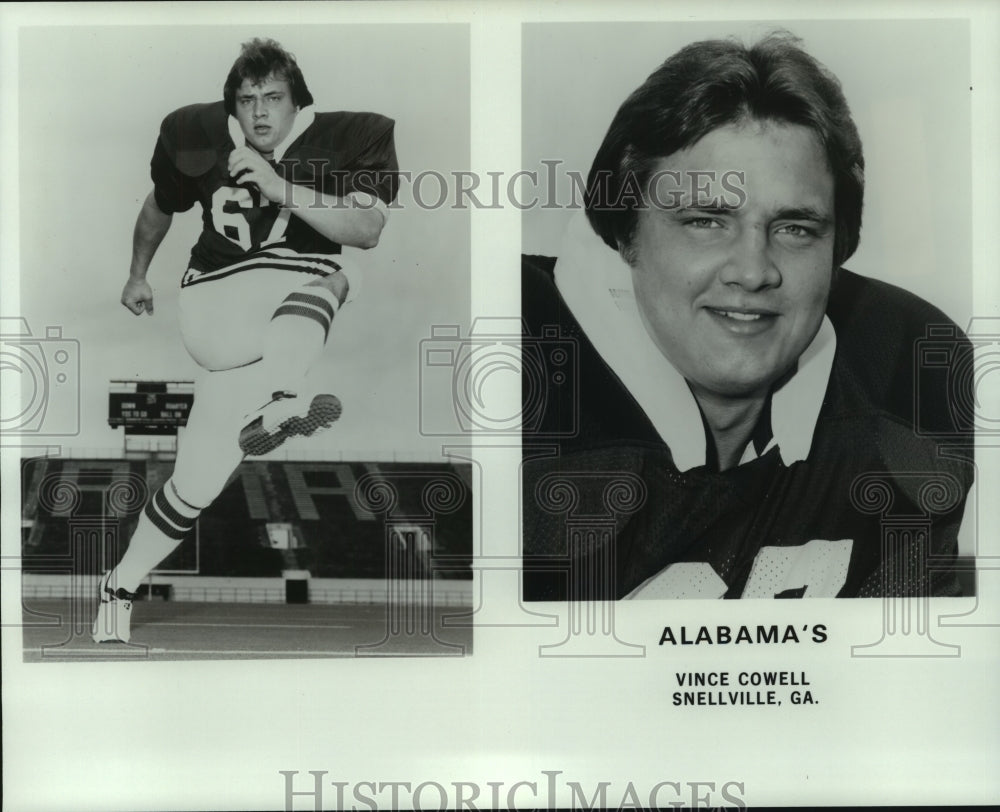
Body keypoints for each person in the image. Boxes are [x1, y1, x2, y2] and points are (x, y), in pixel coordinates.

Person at [521, 33, 975, 600]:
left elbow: (904, 674)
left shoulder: (901, 366)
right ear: (625, 232)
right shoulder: (521, 364)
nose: (753, 270)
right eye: (706, 221)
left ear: (838, 251)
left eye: (795, 228)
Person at [92, 38, 398, 642]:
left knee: (196, 484)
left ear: (297, 101)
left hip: (265, 336)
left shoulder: (351, 135)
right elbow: (160, 207)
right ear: (232, 104)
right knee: (344, 275)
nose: (258, 112)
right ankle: (285, 399)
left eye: (272, 98)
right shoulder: (200, 136)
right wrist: (136, 274)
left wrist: (280, 186)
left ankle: (117, 589)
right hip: (216, 300)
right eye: (246, 99)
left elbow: (367, 226)